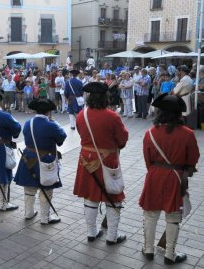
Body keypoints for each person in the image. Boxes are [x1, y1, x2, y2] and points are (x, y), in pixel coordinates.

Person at [139, 94, 199, 264]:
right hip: (176, 177)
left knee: (151, 214)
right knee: (173, 217)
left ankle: (148, 249)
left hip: (154, 175)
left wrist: (156, 171)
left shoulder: (149, 133)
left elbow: (147, 159)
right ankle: (170, 254)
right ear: (179, 114)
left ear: (160, 112)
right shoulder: (187, 134)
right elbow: (193, 158)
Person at [73, 82, 129, 245]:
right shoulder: (112, 116)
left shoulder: (80, 115)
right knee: (113, 196)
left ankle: (91, 232)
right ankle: (112, 236)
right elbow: (122, 139)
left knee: (90, 196)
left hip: (85, 159)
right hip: (107, 159)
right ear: (105, 97)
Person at [14, 98, 67, 224]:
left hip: (29, 157)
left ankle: (28, 213)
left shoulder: (28, 123)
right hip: (46, 158)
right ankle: (45, 218)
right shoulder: (51, 124)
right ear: (48, 112)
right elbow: (61, 138)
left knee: (29, 188)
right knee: (47, 188)